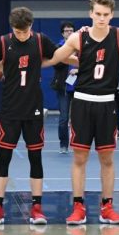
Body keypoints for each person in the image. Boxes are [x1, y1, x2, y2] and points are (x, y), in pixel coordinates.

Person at [47, 0, 119, 225]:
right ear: (90, 13)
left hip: (107, 103)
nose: (101, 18)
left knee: (107, 159)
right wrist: (79, 61)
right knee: (79, 158)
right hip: (82, 102)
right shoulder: (79, 38)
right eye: (97, 14)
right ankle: (78, 207)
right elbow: (55, 58)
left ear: (112, 15)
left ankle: (107, 207)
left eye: (105, 14)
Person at [0, 7, 57, 225]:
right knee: (4, 158)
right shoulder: (3, 42)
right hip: (10, 109)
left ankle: (37, 207)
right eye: (18, 32)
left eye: (25, 31)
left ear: (31, 26)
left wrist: (81, 61)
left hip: (34, 109)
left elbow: (59, 56)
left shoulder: (40, 40)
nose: (22, 35)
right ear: (12, 28)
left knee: (35, 157)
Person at [51, 21, 76, 153]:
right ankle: (63, 144)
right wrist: (67, 55)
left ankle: (79, 143)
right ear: (62, 33)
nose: (69, 33)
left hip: (79, 87)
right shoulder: (58, 47)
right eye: (67, 31)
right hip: (63, 87)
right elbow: (56, 65)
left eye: (71, 30)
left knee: (79, 118)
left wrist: (78, 70)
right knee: (63, 118)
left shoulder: (80, 47)